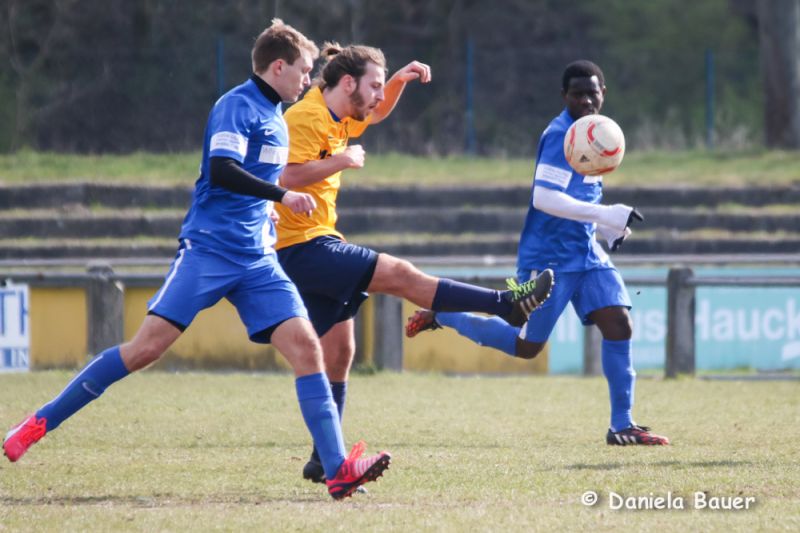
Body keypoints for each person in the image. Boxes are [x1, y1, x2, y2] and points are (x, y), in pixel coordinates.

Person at [3, 20, 391, 500]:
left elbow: (266, 174)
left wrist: (266, 213)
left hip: (257, 259)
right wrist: (282, 196)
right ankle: (37, 423)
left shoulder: (277, 116)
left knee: (307, 348)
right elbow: (223, 171)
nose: (309, 80)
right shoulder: (236, 106)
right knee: (145, 349)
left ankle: (337, 472)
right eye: (304, 71)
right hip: (209, 250)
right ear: (277, 67)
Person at [274, 42, 555, 484]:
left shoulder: (337, 112)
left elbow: (376, 114)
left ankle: (324, 460)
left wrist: (397, 81)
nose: (377, 96)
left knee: (340, 353)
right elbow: (285, 175)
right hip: (300, 247)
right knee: (401, 275)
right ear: (347, 83)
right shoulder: (305, 117)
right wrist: (342, 160)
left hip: (319, 241)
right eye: (373, 86)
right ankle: (506, 304)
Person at [406, 60, 669, 447]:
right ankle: (444, 314)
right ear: (564, 96)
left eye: (592, 93)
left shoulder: (597, 135)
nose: (585, 100)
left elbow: (580, 199)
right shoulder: (560, 135)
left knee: (619, 324)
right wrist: (605, 214)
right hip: (547, 259)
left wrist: (606, 228)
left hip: (587, 252)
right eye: (577, 94)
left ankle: (622, 425)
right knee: (527, 346)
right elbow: (544, 198)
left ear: (603, 93)